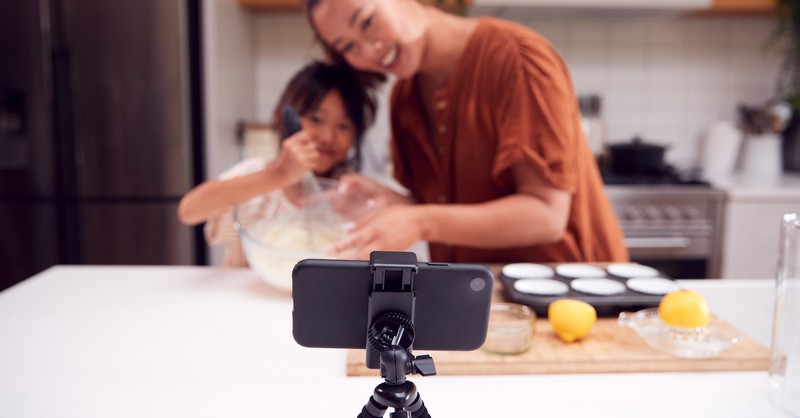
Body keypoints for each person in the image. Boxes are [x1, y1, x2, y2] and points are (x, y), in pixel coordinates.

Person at [303, 0, 629, 263]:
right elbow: (448, 207)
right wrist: (393, 203)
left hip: (573, 297)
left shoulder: (518, 59)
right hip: (484, 296)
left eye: (367, 21)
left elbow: (546, 216)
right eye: (348, 47)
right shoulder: (405, 98)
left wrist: (419, 221)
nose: (369, 50)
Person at [177, 61, 380, 266]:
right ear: (282, 118)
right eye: (316, 119)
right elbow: (189, 210)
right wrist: (279, 174)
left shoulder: (349, 192)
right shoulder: (258, 175)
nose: (328, 137)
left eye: (344, 126)